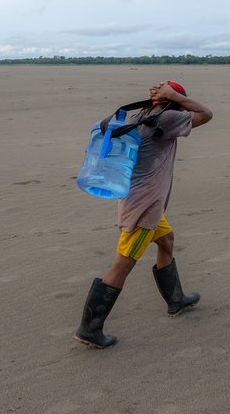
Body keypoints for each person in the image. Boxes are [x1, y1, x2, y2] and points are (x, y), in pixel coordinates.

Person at [74, 80, 213, 349]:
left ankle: (176, 300)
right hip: (144, 207)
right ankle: (89, 329)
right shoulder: (169, 117)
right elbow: (206, 114)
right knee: (122, 264)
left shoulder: (144, 116)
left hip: (142, 201)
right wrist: (175, 96)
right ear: (175, 100)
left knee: (167, 240)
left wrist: (169, 97)